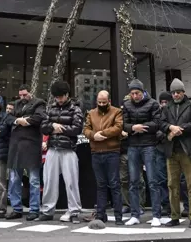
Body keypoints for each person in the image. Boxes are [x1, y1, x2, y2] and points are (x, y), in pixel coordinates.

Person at [0, 84, 46, 221]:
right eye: (20, 95)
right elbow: (7, 118)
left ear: (30, 93)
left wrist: (26, 120)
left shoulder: (39, 103)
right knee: (14, 180)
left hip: (31, 144)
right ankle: (16, 208)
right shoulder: (16, 104)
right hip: (16, 145)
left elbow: (39, 117)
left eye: (25, 95)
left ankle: (34, 209)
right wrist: (18, 120)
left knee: (34, 180)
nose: (22, 97)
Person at [39, 80, 83, 223]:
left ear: (66, 95)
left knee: (71, 181)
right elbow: (43, 126)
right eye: (56, 97)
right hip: (53, 148)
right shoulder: (50, 108)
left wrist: (61, 128)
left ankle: (74, 210)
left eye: (61, 96)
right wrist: (53, 126)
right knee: (49, 180)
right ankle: (47, 210)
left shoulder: (75, 109)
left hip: (68, 149)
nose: (58, 99)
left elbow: (77, 129)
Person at [160, 79, 191, 229]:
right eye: (173, 92)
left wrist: (179, 129)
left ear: (184, 92)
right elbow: (161, 123)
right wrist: (171, 127)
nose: (176, 94)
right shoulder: (167, 107)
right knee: (172, 185)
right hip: (172, 151)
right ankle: (175, 216)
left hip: (187, 150)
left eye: (178, 92)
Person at [122, 79, 162, 226]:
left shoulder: (153, 103)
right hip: (133, 145)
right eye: (132, 93)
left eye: (137, 93)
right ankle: (135, 214)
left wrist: (141, 127)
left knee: (152, 181)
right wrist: (133, 128)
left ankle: (156, 215)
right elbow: (124, 125)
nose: (135, 96)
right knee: (133, 182)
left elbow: (157, 123)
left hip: (149, 145)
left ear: (142, 92)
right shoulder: (126, 105)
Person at [83, 90, 124, 224]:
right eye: (99, 102)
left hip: (111, 151)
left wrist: (102, 133)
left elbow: (118, 127)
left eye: (104, 102)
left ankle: (118, 216)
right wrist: (93, 135)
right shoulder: (91, 113)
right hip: (96, 151)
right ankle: (101, 215)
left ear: (109, 101)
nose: (101, 104)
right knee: (101, 185)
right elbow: (86, 129)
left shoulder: (116, 112)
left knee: (114, 184)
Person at [155, 92, 172, 216]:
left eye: (166, 102)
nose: (164, 104)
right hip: (160, 149)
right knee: (161, 179)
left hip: (173, 149)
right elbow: (153, 129)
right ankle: (166, 205)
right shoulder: (157, 114)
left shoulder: (174, 113)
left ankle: (182, 205)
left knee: (177, 180)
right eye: (162, 102)